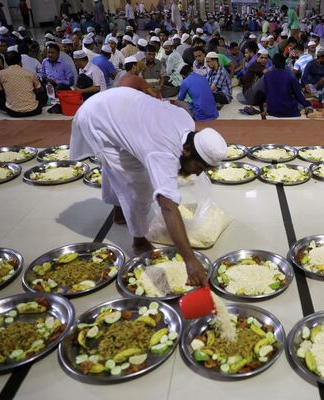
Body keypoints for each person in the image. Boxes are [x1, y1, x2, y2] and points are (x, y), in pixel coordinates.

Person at [70, 87, 227, 287]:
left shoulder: (187, 122)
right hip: (97, 118)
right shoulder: (162, 153)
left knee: (119, 167)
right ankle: (139, 240)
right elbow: (168, 206)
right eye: (199, 167)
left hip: (116, 105)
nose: (197, 173)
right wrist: (190, 260)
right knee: (137, 186)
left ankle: (119, 214)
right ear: (187, 150)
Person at [0, 51, 46, 117]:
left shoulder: (0, 73)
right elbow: (40, 90)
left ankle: (13, 104)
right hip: (34, 110)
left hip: (13, 112)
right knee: (42, 88)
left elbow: (0, 91)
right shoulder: (30, 73)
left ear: (6, 62)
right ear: (20, 61)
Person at [264, 54, 312, 118]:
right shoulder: (291, 76)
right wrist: (308, 105)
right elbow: (298, 95)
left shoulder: (267, 76)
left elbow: (266, 92)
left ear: (273, 64)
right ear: (284, 64)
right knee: (301, 104)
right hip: (288, 110)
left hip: (272, 109)